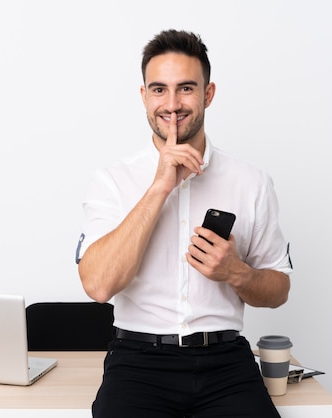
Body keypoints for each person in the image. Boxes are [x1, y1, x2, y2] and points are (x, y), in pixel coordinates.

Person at [75, 29, 293, 418]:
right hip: (138, 364)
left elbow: (278, 289)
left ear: (208, 94)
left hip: (226, 363)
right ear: (144, 97)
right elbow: (98, 284)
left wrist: (237, 273)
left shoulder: (251, 182)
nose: (172, 104)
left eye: (186, 89)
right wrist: (160, 187)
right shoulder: (111, 180)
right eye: (159, 90)